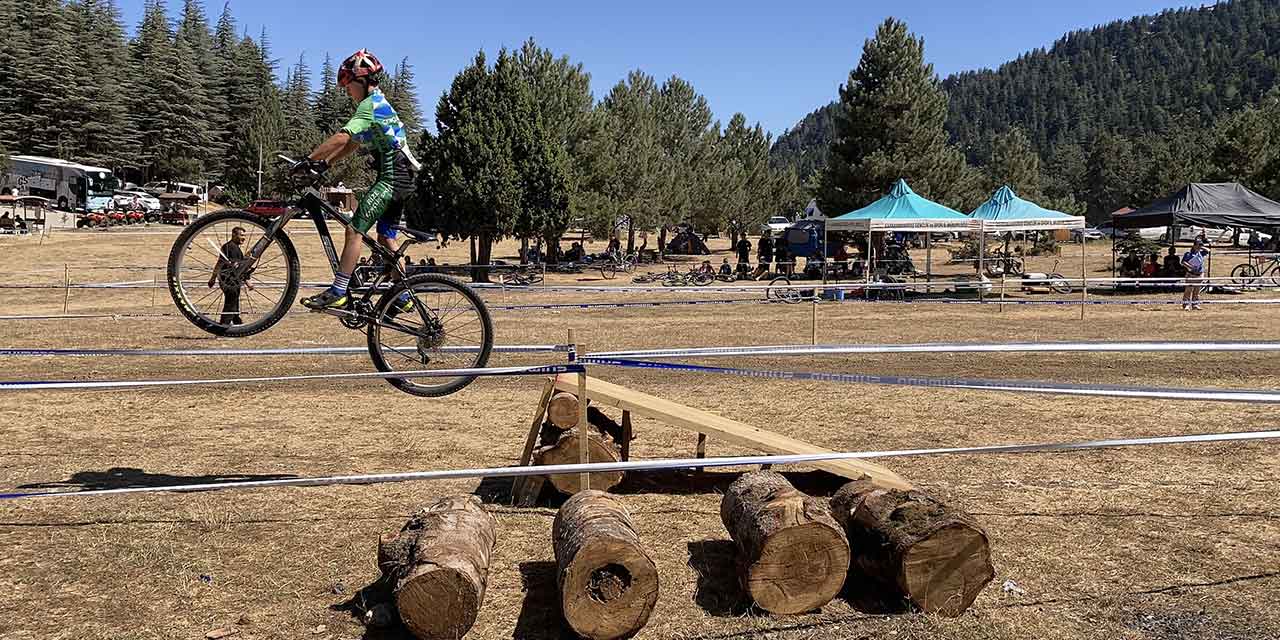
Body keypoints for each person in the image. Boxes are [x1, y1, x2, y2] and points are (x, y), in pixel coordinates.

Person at [296, 49, 421, 311]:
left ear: (362, 81)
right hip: (403, 178)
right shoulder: (378, 103)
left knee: (354, 230)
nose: (347, 91)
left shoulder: (370, 105)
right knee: (387, 238)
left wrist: (308, 159)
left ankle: (339, 290)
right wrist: (324, 163)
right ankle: (404, 297)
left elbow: (342, 136)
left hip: (392, 177)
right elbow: (352, 143)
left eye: (348, 85)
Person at [208, 226, 250, 325]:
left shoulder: (232, 247)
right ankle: (224, 325)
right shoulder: (231, 247)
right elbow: (236, 267)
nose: (244, 238)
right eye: (241, 235)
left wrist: (213, 278)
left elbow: (220, 263)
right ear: (234, 235)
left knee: (234, 300)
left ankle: (237, 322)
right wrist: (248, 282)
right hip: (229, 280)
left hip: (232, 280)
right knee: (231, 301)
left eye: (244, 235)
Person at [1181, 238, 1209, 310]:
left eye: (1200, 245)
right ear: (1194, 245)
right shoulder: (1189, 254)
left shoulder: (1201, 253)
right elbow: (1183, 262)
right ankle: (1186, 304)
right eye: (1198, 245)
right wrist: (1190, 267)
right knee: (1188, 290)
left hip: (1199, 274)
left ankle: (1195, 304)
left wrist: (1201, 246)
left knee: (1197, 290)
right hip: (1191, 274)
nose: (1199, 246)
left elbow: (1208, 250)